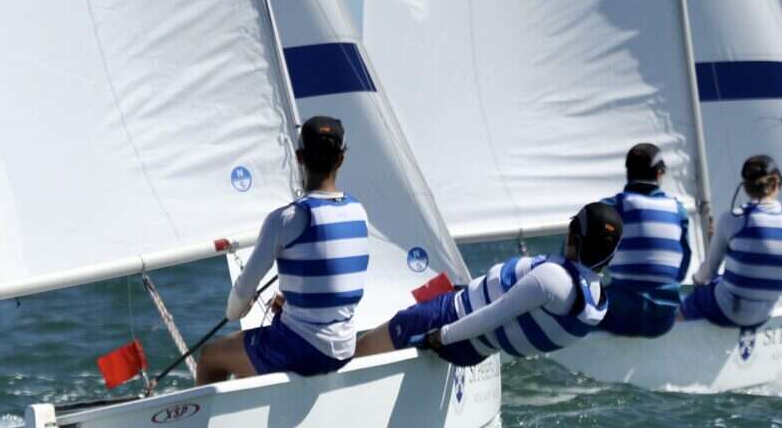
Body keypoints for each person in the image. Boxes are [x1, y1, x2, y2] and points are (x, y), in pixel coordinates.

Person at [196, 117, 368, 384]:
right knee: (247, 356)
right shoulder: (359, 212)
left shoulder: (285, 219)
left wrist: (236, 311)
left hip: (302, 349)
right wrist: (289, 304)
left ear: (299, 157)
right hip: (344, 346)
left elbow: (239, 299)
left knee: (210, 357)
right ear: (341, 159)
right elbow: (333, 287)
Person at [356, 202, 623, 365]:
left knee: (360, 351)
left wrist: (440, 336)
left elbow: (494, 315)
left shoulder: (553, 279)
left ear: (574, 238)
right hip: (473, 347)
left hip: (449, 318)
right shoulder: (597, 302)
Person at [681, 154, 782, 330]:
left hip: (729, 312)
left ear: (745, 187)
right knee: (720, 282)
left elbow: (708, 271)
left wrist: (696, 281)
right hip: (766, 313)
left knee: (690, 301)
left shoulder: (733, 219)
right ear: (776, 183)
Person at [598, 142, 694, 338]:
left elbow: (579, 256)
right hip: (663, 321)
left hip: (621, 318)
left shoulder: (613, 206)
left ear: (628, 172)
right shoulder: (678, 210)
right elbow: (681, 269)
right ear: (659, 174)